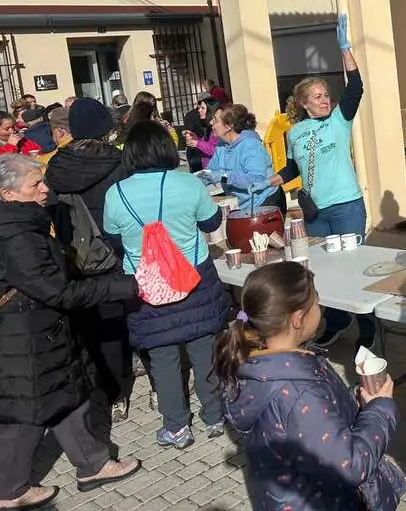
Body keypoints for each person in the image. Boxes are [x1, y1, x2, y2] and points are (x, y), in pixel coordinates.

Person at [0, 155, 141, 509]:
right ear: (8, 194)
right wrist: (117, 287)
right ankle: (9, 489)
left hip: (41, 331)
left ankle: (92, 463)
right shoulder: (16, 235)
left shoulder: (24, 223)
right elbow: (55, 290)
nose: (45, 188)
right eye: (35, 184)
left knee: (67, 396)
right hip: (24, 336)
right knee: (27, 412)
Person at [214, 262, 406, 511]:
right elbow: (350, 466)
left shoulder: (262, 363)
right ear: (298, 319)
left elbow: (312, 421)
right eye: (317, 302)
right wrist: (380, 409)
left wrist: (357, 401)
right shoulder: (297, 391)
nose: (321, 308)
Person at [103, 121, 232, 450]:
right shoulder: (187, 183)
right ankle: (215, 416)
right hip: (195, 277)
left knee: (162, 358)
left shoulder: (115, 193)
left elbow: (112, 240)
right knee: (204, 349)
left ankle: (176, 428)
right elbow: (212, 221)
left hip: (145, 285)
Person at [267, 14, 372, 349]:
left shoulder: (338, 121)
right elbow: (295, 166)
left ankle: (368, 328)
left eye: (326, 93)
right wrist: (274, 178)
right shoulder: (294, 131)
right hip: (315, 212)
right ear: (302, 102)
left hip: (345, 206)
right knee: (322, 273)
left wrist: (345, 49)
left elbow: (356, 88)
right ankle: (338, 322)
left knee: (353, 267)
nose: (325, 99)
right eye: (317, 96)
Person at [45, 98, 130, 424]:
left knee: (91, 327)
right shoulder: (117, 161)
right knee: (119, 321)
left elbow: (51, 211)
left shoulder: (56, 168)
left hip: (76, 256)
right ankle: (127, 385)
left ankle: (108, 392)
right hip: (114, 251)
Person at [201, 104, 281, 211]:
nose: (211, 123)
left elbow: (257, 180)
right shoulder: (221, 146)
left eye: (215, 120)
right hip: (242, 205)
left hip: (265, 201)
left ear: (228, 126)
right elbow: (209, 172)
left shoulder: (251, 146)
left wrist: (224, 176)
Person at [182, 97, 219, 171]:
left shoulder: (217, 128)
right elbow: (205, 144)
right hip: (207, 168)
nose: (199, 110)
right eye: (199, 108)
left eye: (202, 108)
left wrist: (197, 143)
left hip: (215, 170)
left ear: (210, 110)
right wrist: (194, 137)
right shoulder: (208, 127)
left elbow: (216, 150)